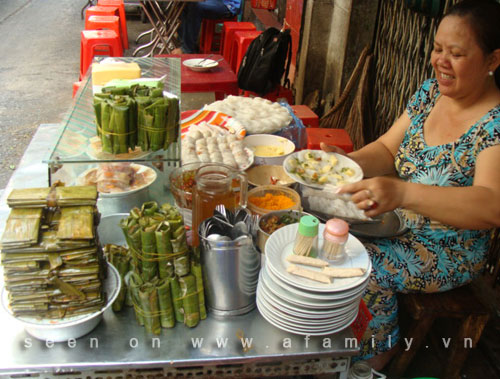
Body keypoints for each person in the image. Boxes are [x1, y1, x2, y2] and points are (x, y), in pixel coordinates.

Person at [321, 0, 500, 370]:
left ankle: (371, 359)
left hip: (449, 247)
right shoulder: (431, 93)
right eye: (437, 49)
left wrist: (403, 192)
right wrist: (344, 165)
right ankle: (329, 338)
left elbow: (491, 206)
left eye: (456, 53)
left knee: (356, 264)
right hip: (396, 219)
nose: (441, 61)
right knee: (319, 228)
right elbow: (388, 147)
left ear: (492, 61)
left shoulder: (494, 125)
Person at [172, 0, 243, 54]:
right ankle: (184, 43)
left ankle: (187, 49)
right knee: (184, 4)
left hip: (228, 5)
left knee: (196, 7)